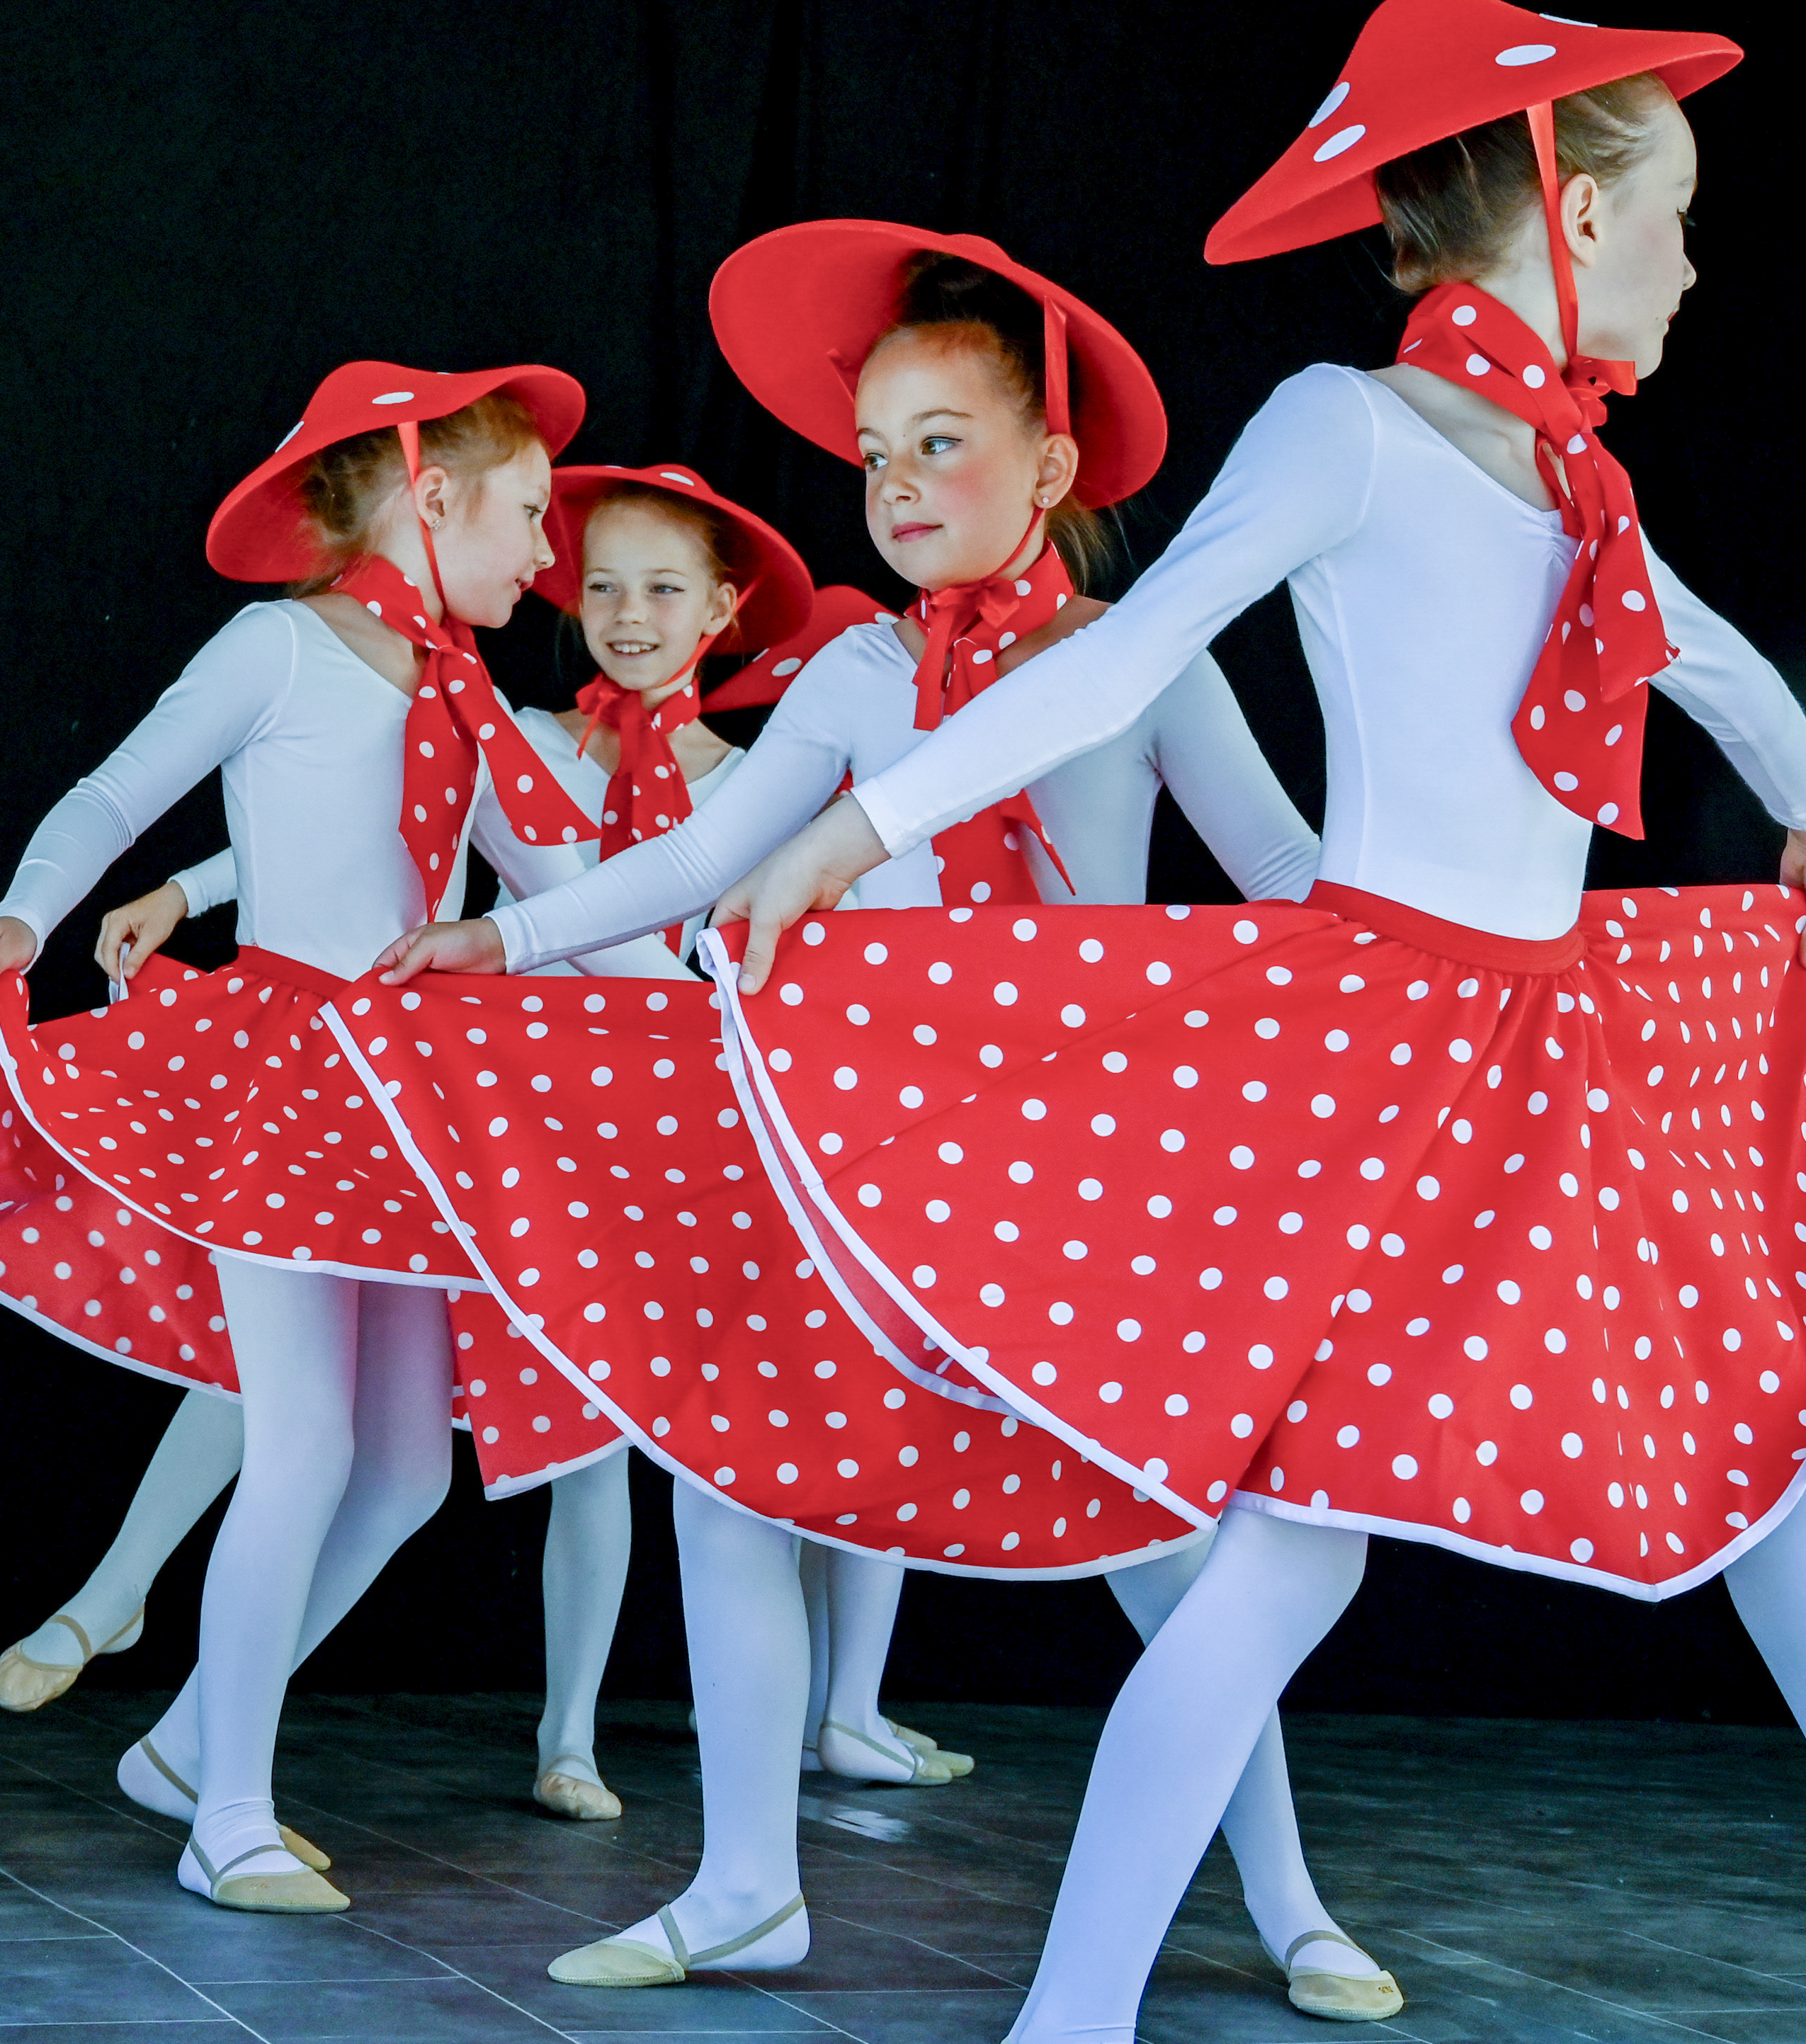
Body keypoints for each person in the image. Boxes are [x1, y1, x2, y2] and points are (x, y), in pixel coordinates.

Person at [688, 4, 1806, 2029]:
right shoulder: (1350, 422)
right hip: (1393, 1039)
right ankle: (1073, 2011)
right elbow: (1127, 651)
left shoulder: (1571, 474)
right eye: (1676, 215)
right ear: (1575, 213)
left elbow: (1697, 651)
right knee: (1289, 1558)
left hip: (1549, 1024)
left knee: (1761, 1384)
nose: (1694, 262)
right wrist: (857, 825)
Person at [370, 227, 1394, 2016]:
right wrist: (503, 938)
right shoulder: (853, 677)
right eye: (873, 455)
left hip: (1073, 1178)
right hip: (863, 1166)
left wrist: (1424, 963)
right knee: (727, 1488)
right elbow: (706, 856)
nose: (899, 485)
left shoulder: (1141, 666)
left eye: (941, 443)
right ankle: (746, 1884)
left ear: (1051, 467)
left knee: (1167, 1549)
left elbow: (1287, 870)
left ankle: (1292, 1900)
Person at [0, 360, 598, 1912]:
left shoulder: (463, 695)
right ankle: (231, 1819)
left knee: (403, 1468)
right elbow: (116, 791)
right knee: (307, 1440)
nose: (552, 553)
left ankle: (192, 1744)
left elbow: (575, 890)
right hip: (284, 1079)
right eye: (532, 514)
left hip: (410, 1097)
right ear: (431, 497)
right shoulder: (279, 645)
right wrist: (25, 913)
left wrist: (741, 981)